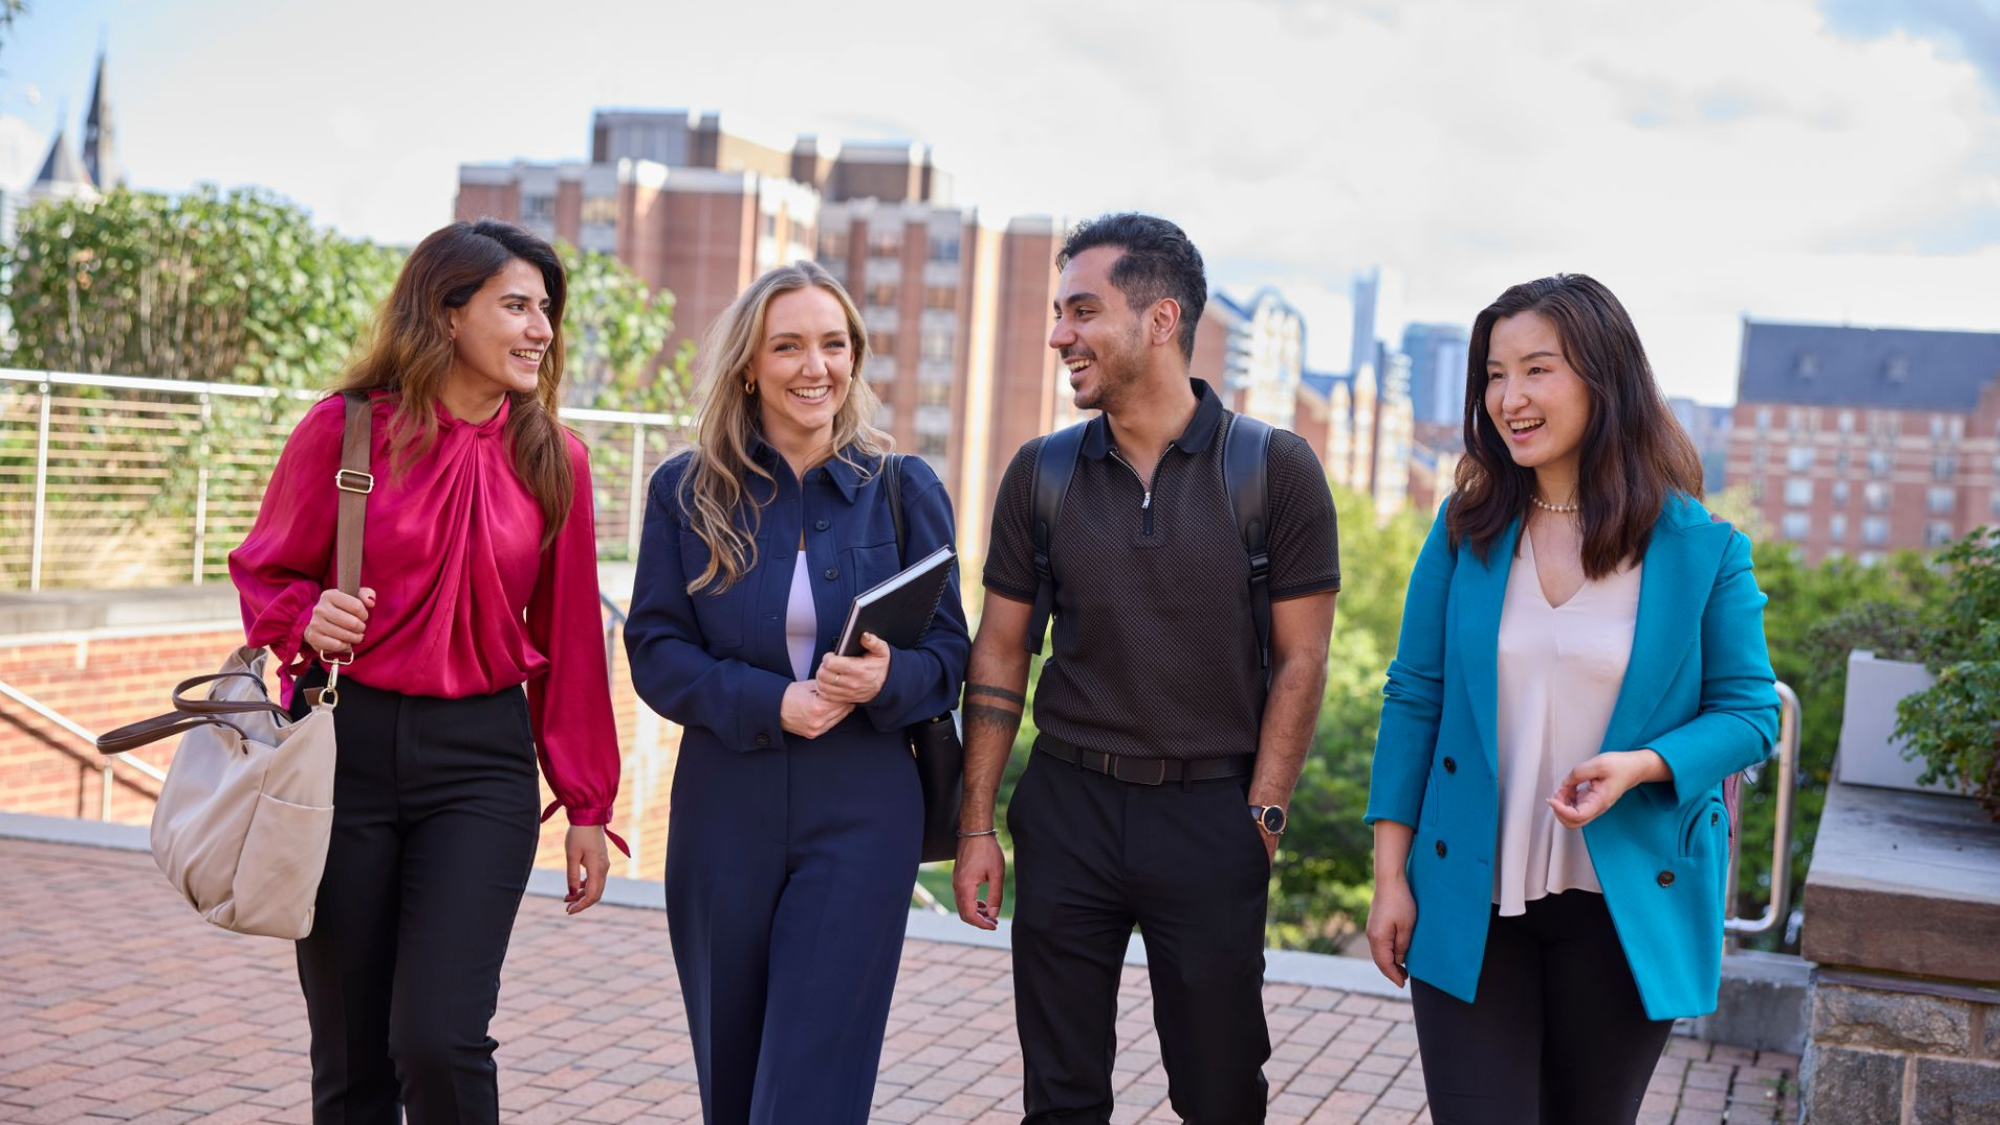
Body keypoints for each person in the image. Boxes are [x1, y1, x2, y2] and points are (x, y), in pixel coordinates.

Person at [228, 219, 624, 1124]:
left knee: (439, 1036)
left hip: (481, 761)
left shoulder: (554, 459)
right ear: (447, 314)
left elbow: (567, 645)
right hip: (343, 748)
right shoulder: (343, 429)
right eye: (516, 306)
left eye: (546, 310)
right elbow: (268, 569)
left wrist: (587, 805)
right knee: (352, 1053)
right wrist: (304, 617)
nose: (542, 331)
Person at [1362, 274, 1781, 1125]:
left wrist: (1641, 764)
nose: (1509, 397)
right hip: (1471, 896)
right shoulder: (1463, 530)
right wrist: (1387, 877)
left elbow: (1751, 713)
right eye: (1493, 373)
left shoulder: (1700, 547)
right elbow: (1414, 699)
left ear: (1603, 376)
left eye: (1537, 370)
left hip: (1624, 907)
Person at [952, 213, 1340, 1125]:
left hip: (1213, 814)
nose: (1059, 336)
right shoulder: (1040, 474)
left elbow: (1303, 659)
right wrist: (978, 824)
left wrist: (1264, 815)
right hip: (1069, 808)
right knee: (1061, 1095)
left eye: (1082, 312)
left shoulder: (1274, 470)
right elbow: (1001, 648)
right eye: (1056, 313)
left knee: (1218, 1093)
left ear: (1161, 320)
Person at [623, 260, 970, 1125]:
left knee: (811, 1082)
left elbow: (950, 653)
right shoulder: (683, 489)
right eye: (788, 345)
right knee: (733, 1082)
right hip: (723, 805)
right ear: (750, 364)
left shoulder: (904, 488)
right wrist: (768, 700)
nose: (815, 365)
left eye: (833, 343)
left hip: (862, 808)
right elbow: (656, 648)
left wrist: (891, 678)